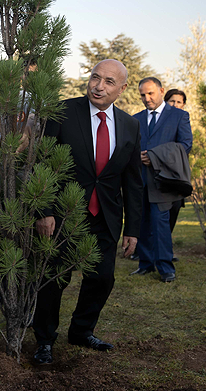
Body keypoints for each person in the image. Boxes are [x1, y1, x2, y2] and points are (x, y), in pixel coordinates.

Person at [33, 59, 143, 365]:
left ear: (121, 89)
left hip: (105, 217)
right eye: (96, 77)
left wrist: (133, 228)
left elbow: (133, 182)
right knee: (54, 280)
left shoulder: (130, 125)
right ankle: (44, 340)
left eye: (109, 82)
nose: (99, 86)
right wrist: (44, 209)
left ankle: (81, 331)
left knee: (103, 278)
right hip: (62, 216)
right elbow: (41, 164)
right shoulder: (63, 113)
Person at [130, 78, 192, 283]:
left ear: (161, 91)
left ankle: (166, 268)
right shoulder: (135, 119)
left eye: (150, 94)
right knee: (143, 224)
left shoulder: (179, 116)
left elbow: (185, 145)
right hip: (140, 180)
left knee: (160, 224)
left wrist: (155, 156)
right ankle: (145, 264)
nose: (146, 99)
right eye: (142, 95)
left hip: (163, 179)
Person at [163, 88, 188, 241]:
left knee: (175, 207)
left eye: (179, 102)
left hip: (176, 172)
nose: (175, 104)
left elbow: (186, 145)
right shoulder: (158, 120)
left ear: (183, 105)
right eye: (172, 101)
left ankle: (165, 248)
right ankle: (142, 250)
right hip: (156, 171)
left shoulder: (183, 120)